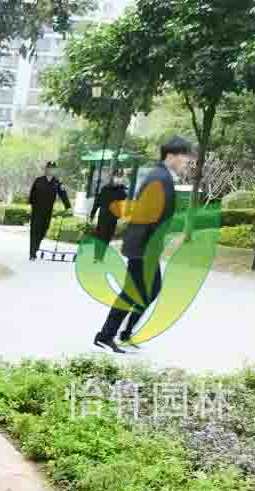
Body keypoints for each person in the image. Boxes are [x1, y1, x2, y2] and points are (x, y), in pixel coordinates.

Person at [94, 136, 195, 353]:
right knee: (134, 292)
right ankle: (106, 336)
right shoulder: (159, 178)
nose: (186, 163)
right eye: (185, 159)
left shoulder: (161, 176)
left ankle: (123, 333)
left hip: (145, 245)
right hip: (142, 246)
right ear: (171, 156)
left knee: (149, 289)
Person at [27, 161, 71, 259]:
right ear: (46, 169)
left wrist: (68, 207)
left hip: (48, 210)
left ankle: (36, 246)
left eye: (53, 168)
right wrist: (30, 206)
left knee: (44, 229)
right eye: (49, 168)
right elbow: (32, 194)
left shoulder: (57, 182)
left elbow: (63, 194)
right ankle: (32, 253)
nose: (51, 170)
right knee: (35, 230)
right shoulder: (38, 180)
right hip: (37, 210)